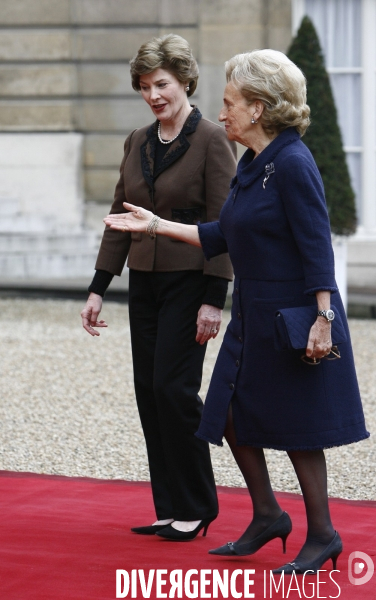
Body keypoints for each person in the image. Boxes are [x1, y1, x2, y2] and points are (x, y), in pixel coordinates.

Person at [104, 49, 369, 572]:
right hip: (253, 310)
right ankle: (269, 514)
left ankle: (323, 534)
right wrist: (155, 225)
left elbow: (317, 244)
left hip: (293, 312)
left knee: (298, 427)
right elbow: (221, 233)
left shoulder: (293, 162)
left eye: (230, 104)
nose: (221, 113)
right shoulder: (254, 162)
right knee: (224, 412)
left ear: (259, 108)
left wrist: (324, 318)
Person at [81, 34, 236, 541]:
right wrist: (99, 287)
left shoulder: (213, 139)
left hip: (191, 282)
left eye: (162, 84)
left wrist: (215, 299)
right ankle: (169, 507)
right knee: (149, 391)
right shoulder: (137, 140)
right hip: (144, 286)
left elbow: (225, 225)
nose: (153, 95)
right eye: (145, 86)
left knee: (175, 390)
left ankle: (198, 505)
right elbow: (119, 215)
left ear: (185, 80)